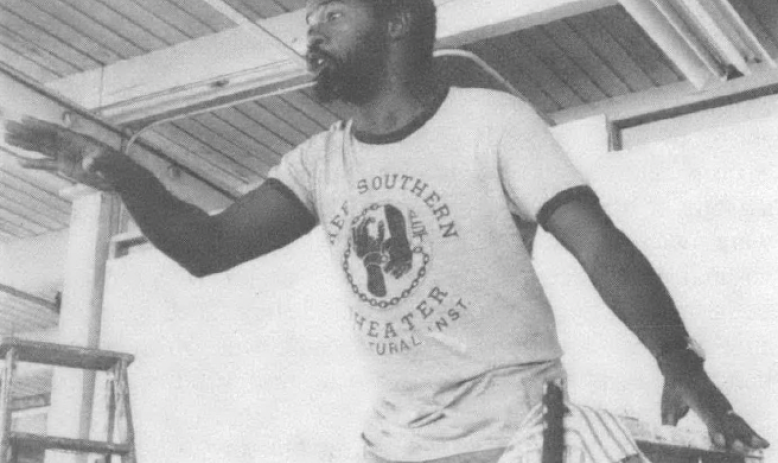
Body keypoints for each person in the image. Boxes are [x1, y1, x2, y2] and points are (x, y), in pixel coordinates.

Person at [3, 0, 769, 461]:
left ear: (399, 21)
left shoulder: (490, 124)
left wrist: (679, 359)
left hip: (514, 429)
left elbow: (595, 239)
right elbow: (208, 247)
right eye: (312, 17)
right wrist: (118, 172)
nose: (313, 28)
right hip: (399, 446)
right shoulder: (318, 161)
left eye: (334, 12)